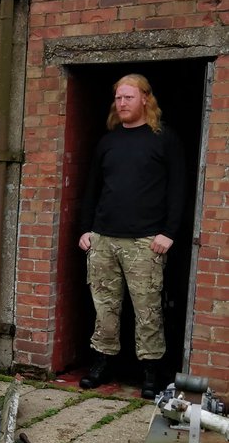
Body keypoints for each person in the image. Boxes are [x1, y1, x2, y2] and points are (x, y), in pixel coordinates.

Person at [78, 73, 185, 400]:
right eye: (118, 98)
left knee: (148, 310)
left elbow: (178, 188)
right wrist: (86, 229)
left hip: (145, 241)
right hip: (104, 239)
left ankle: (150, 372)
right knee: (104, 308)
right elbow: (92, 187)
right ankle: (102, 364)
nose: (122, 103)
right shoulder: (108, 142)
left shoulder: (163, 138)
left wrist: (169, 232)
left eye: (128, 97)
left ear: (145, 99)